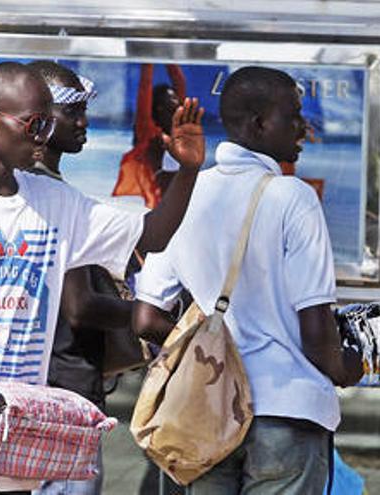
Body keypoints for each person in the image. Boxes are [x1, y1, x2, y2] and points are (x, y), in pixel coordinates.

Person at [0, 61, 205, 495]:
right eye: (34, 123)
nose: (44, 136)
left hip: (14, 448)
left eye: (47, 124)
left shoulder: (56, 203)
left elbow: (152, 234)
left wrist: (187, 172)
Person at [131, 66, 362, 495]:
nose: (303, 127)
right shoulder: (293, 197)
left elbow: (145, 319)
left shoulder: (186, 196)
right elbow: (315, 329)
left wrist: (210, 353)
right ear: (258, 124)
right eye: (292, 115)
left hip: (206, 410)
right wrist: (347, 368)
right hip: (286, 410)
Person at [24, 60, 138, 495]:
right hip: (65, 391)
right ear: (39, 116)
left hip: (40, 388)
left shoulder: (18, 189)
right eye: (72, 111)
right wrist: (142, 314)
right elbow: (80, 304)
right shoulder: (52, 197)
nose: (83, 122)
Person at [112, 64, 186, 208]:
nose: (178, 101)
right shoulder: (147, 130)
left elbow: (179, 81)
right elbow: (145, 87)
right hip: (151, 203)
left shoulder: (178, 126)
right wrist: (149, 59)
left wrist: (169, 57)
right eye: (173, 98)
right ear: (160, 106)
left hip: (176, 200)